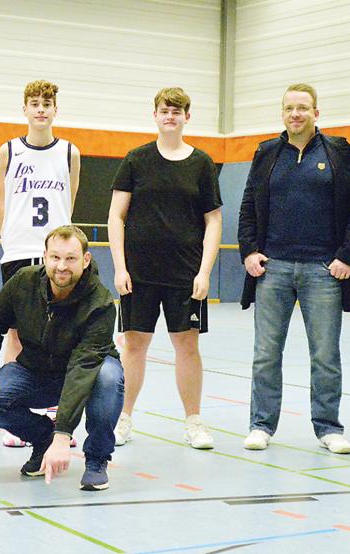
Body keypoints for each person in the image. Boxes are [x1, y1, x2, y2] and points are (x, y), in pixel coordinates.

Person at [237, 83, 350, 454]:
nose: (296, 114)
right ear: (282, 113)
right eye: (290, 108)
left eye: (303, 108)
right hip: (272, 269)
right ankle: (261, 425)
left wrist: (346, 256)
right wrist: (249, 252)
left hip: (323, 271)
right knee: (265, 354)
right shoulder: (266, 153)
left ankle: (328, 428)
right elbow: (248, 206)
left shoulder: (339, 152)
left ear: (316, 113)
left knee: (325, 354)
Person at [108, 87, 222, 450]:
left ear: (187, 117)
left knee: (187, 346)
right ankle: (121, 419)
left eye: (177, 111)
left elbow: (214, 220)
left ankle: (194, 422)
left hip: (184, 276)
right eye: (164, 110)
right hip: (139, 274)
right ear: (154, 116)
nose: (170, 116)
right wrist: (120, 267)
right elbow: (116, 215)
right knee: (134, 345)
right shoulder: (136, 160)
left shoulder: (201, 163)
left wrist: (204, 272)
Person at [0, 226, 123, 491]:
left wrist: (64, 434)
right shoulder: (24, 282)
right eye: (55, 257)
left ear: (85, 260)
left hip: (85, 375)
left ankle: (96, 459)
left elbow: (83, 366)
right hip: (37, 370)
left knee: (109, 376)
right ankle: (42, 439)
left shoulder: (101, 304)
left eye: (71, 259)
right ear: (45, 257)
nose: (62, 266)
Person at [0, 79, 80, 448]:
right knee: (16, 333)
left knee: (62, 331)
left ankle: (58, 413)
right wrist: (10, 241)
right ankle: (17, 414)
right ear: (25, 108)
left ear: (55, 109)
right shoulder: (9, 151)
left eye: (47, 103)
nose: (41, 109)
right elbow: (2, 204)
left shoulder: (69, 152)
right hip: (18, 252)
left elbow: (70, 204)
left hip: (56, 255)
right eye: (35, 103)